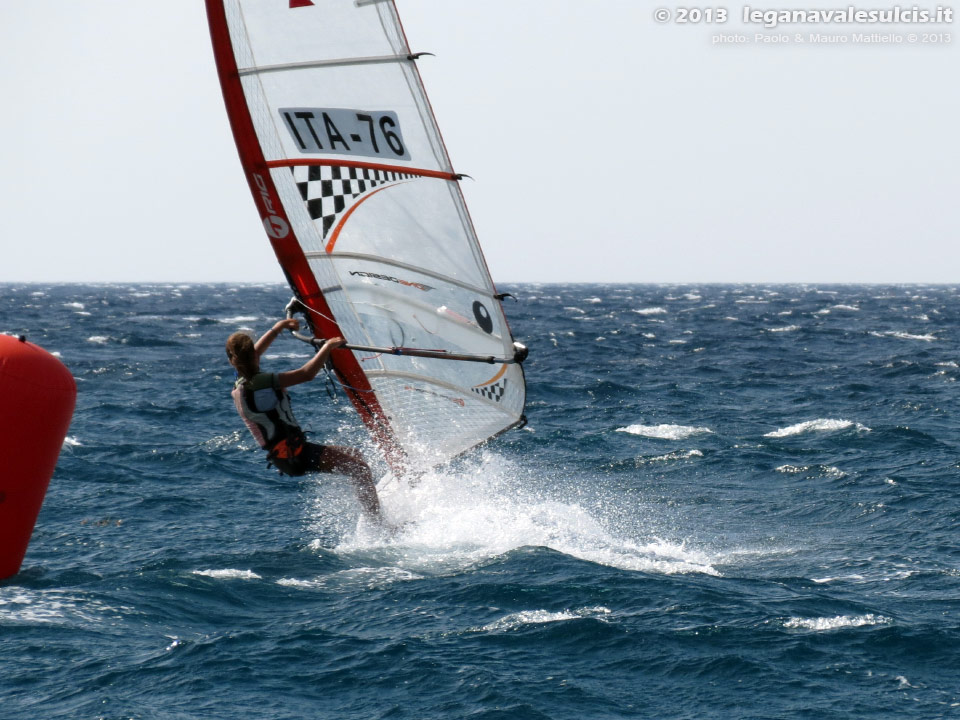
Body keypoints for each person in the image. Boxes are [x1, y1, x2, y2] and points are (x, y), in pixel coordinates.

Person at [225, 318, 382, 521]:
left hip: (286, 454)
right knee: (358, 468)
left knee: (354, 456)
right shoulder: (260, 382)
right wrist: (327, 347)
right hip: (294, 454)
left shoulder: (241, 380)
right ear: (253, 358)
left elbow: (253, 354)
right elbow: (306, 374)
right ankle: (380, 525)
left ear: (233, 360)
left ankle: (370, 506)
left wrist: (278, 328)